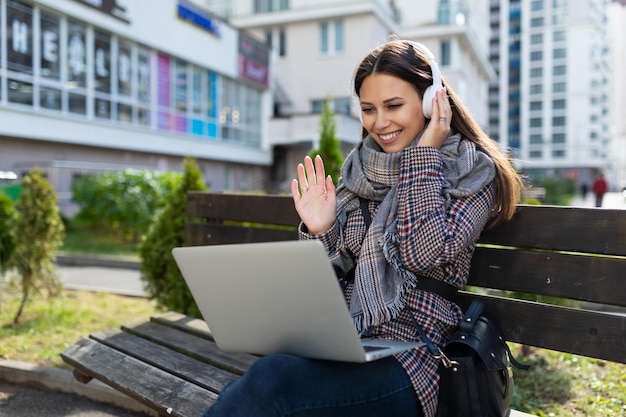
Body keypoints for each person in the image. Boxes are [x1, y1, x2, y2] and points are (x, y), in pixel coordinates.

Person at [202, 39, 524, 417]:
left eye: (394, 106)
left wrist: (423, 154)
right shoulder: (359, 174)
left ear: (431, 101)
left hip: (417, 361)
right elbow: (326, 286)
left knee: (270, 384)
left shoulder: (470, 172)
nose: (380, 123)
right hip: (348, 347)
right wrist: (321, 229)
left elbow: (423, 252)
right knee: (263, 383)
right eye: (369, 109)